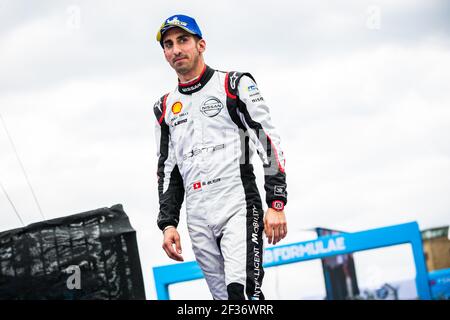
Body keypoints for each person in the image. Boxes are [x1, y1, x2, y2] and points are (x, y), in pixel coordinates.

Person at [153, 14, 288, 300]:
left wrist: (276, 202)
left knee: (242, 293)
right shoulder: (164, 107)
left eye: (183, 40)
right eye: (168, 44)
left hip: (237, 204)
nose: (176, 49)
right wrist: (168, 224)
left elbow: (268, 141)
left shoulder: (234, 84)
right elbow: (167, 171)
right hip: (198, 215)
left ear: (201, 45)